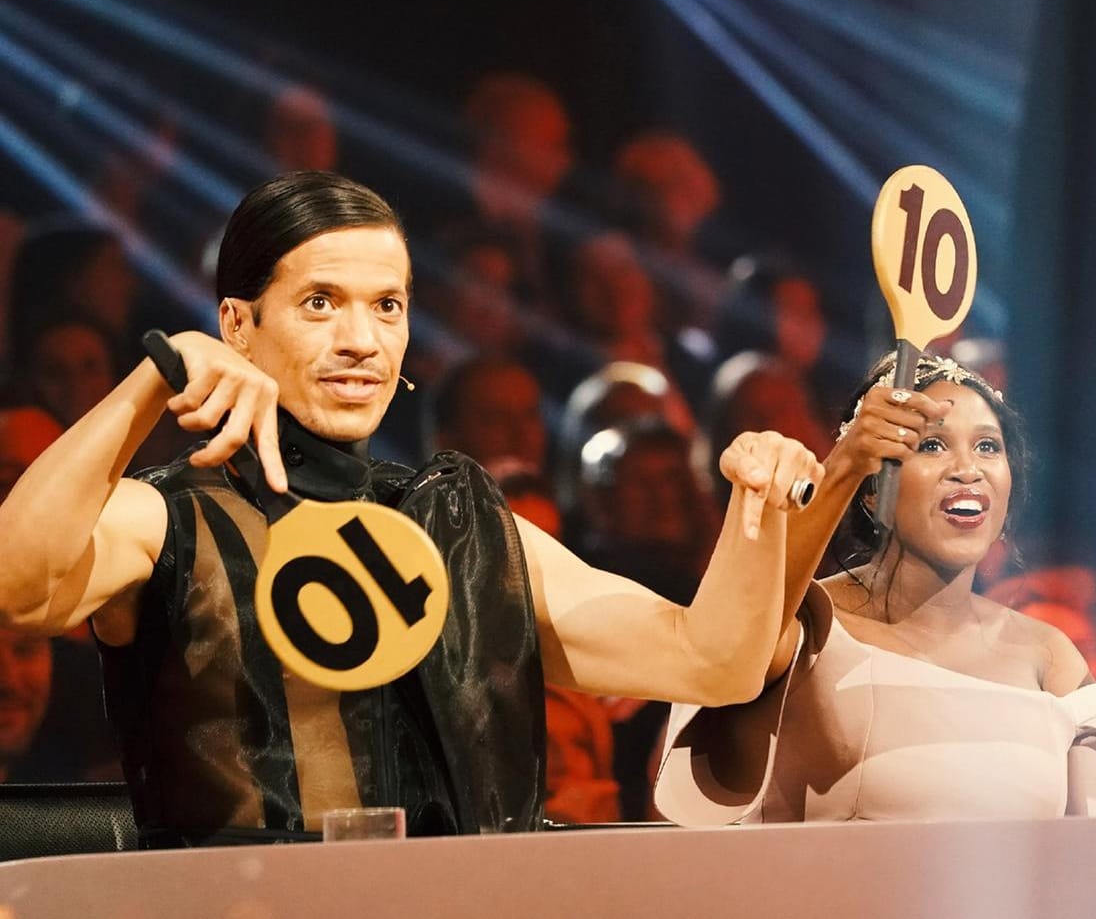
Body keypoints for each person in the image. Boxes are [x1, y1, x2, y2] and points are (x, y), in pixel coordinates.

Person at [0, 171, 820, 846]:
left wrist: (761, 504)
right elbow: (15, 585)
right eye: (321, 302)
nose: (363, 339)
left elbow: (710, 661)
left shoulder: (454, 522)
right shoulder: (172, 517)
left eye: (387, 304)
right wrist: (154, 378)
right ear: (237, 327)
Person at [657, 353, 1096, 822]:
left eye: (987, 447)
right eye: (932, 445)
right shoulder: (809, 624)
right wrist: (844, 462)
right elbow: (730, 648)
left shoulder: (1047, 656)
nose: (967, 470)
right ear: (870, 491)